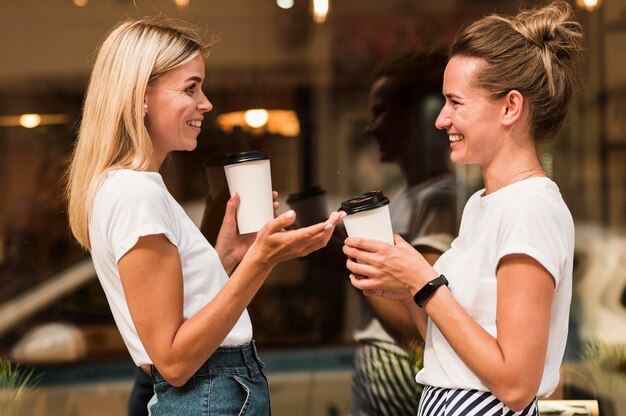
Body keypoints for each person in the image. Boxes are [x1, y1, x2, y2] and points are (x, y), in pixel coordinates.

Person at [65, 17, 343, 415]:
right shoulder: (135, 192)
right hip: (209, 393)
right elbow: (175, 361)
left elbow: (177, 319)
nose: (206, 103)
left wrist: (224, 260)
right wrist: (262, 261)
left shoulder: (129, 186)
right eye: (190, 88)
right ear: (141, 95)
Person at [343, 2, 582, 414]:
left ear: (510, 107)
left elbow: (516, 384)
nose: (440, 120)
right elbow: (447, 346)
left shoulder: (531, 208)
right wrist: (405, 287)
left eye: (455, 102)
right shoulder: (481, 205)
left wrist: (424, 280)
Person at [351, 49, 458, 416]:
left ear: (419, 117)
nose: (371, 127)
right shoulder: (403, 197)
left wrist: (350, 257)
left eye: (381, 112)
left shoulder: (442, 200)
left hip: (404, 373)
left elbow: (423, 319)